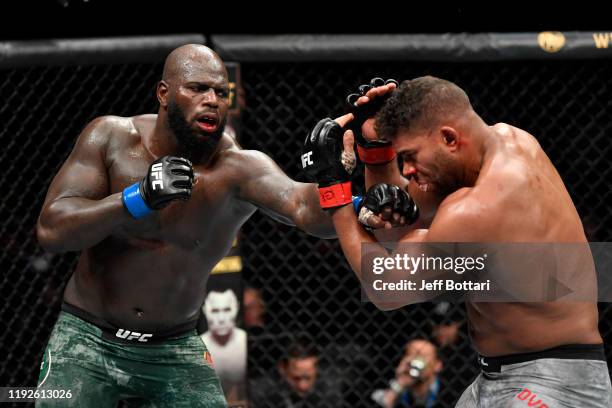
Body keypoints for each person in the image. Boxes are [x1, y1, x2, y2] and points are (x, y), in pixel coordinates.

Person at [34, 44, 402, 407]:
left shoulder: (237, 168)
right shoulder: (111, 138)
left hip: (174, 347)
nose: (212, 100)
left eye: (220, 92)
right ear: (164, 93)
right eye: (197, 88)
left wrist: (359, 177)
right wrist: (137, 198)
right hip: (86, 338)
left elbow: (303, 208)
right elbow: (52, 230)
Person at [303, 76, 612, 407]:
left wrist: (333, 188)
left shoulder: (480, 208)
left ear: (449, 138)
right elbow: (402, 217)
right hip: (498, 375)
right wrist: (375, 147)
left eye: (409, 155)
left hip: (553, 386)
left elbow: (385, 286)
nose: (406, 170)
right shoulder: (513, 141)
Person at [372, 339, 450, 408]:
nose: (417, 361)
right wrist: (400, 383)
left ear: (438, 365)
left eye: (424, 356)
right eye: (412, 355)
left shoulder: (451, 391)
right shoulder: (387, 385)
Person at [201, 289, 247, 401]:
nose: (221, 319)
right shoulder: (198, 347)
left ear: (236, 309)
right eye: (215, 311)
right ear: (205, 311)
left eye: (227, 310)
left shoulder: (246, 341)